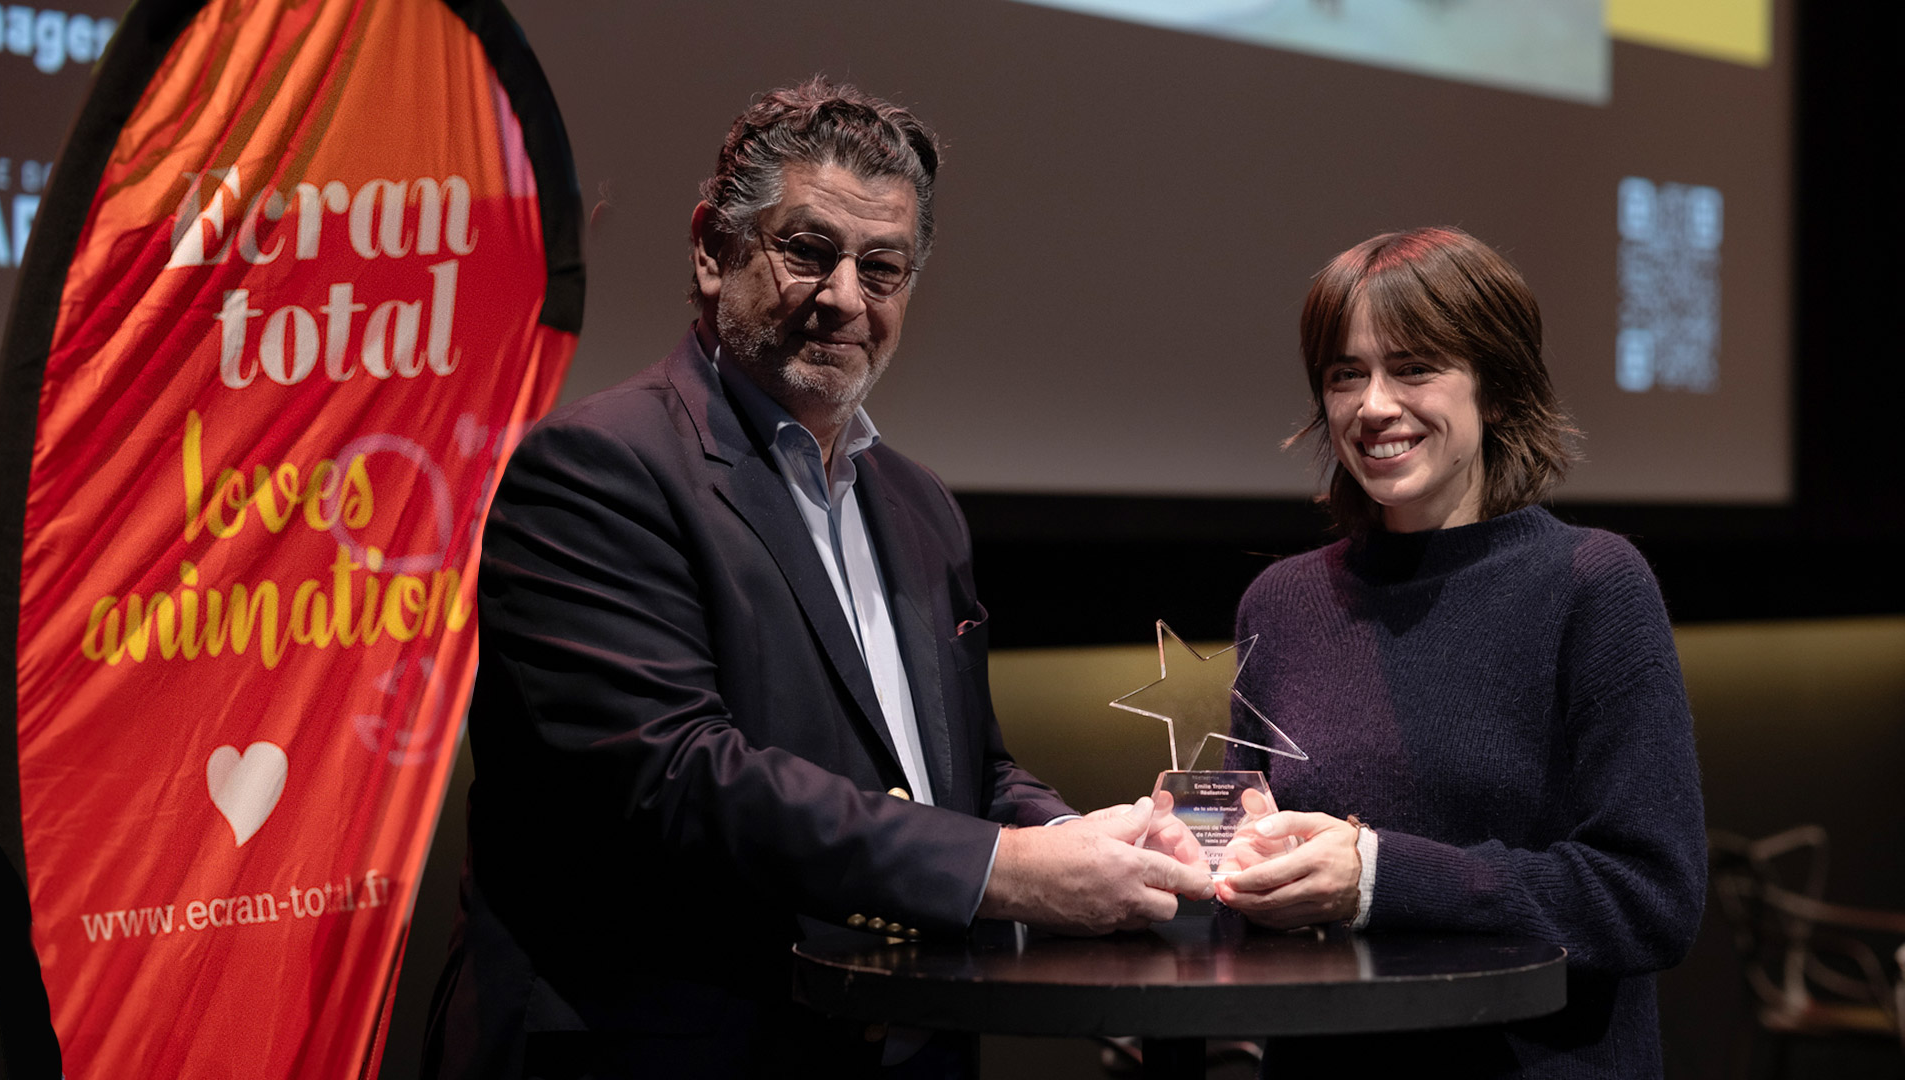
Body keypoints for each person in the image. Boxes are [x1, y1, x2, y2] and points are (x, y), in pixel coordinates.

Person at [421, 78, 1211, 1080]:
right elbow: (680, 775)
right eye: (809, 251)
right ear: (714, 249)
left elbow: (962, 770)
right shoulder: (594, 470)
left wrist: (1081, 839)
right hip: (664, 1044)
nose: (846, 297)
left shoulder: (920, 506)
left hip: (897, 1038)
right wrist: (1005, 872)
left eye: (882, 268)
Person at [1213, 228, 1705, 1076]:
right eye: (1344, 373)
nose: (1373, 405)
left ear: (1500, 392)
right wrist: (1203, 845)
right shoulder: (1283, 603)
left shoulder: (1593, 585)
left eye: (1413, 368)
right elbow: (1247, 856)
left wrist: (1379, 876)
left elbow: (1650, 899)